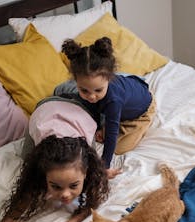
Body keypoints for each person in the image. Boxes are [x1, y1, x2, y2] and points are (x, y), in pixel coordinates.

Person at [0, 99, 109, 222]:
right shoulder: (37, 175)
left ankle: (66, 95)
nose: (65, 195)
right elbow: (7, 221)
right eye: (56, 186)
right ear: (44, 176)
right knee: (25, 156)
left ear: (86, 173)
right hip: (44, 109)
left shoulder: (88, 164)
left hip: (77, 111)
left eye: (73, 185)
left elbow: (94, 201)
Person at [55, 37, 156, 179]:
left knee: (120, 147)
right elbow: (93, 103)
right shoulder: (95, 91)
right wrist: (97, 125)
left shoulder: (114, 101)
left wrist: (104, 166)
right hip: (127, 87)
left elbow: (112, 134)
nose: (91, 96)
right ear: (76, 80)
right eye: (84, 90)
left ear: (109, 78)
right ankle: (91, 99)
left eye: (98, 90)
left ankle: (105, 111)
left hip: (142, 108)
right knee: (82, 99)